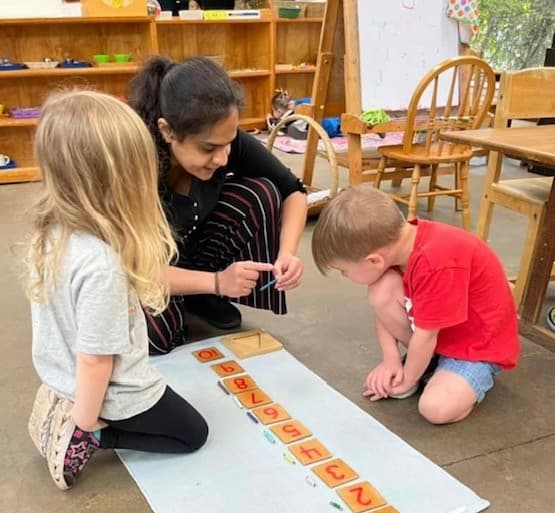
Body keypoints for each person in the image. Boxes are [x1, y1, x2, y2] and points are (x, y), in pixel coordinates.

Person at [25, 90, 209, 491]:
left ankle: (71, 409)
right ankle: (91, 436)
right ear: (118, 181)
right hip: (109, 395)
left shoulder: (51, 231)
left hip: (60, 372)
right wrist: (87, 422)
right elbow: (96, 361)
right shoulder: (101, 263)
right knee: (193, 433)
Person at [128, 56, 307, 354]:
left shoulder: (222, 137)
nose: (223, 158)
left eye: (229, 143)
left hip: (188, 253)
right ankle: (198, 289)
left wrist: (287, 253)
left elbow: (294, 191)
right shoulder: (134, 160)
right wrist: (217, 281)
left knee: (261, 193)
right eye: (209, 148)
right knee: (155, 340)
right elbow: (131, 267)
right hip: (142, 268)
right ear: (167, 130)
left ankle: (197, 295)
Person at [311, 185, 520, 425]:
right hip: (439, 335)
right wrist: (390, 359)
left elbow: (427, 335)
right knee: (381, 288)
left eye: (343, 270)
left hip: (476, 348)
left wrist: (408, 379)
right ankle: (431, 365)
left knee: (435, 408)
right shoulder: (397, 242)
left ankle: (465, 377)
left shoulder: (436, 263)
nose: (345, 276)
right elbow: (385, 310)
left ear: (373, 259)